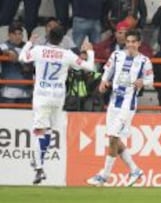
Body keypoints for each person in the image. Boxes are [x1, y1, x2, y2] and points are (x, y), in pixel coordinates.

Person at [18, 26, 95, 184]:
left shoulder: (39, 50)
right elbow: (89, 67)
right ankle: (40, 159)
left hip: (41, 96)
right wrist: (90, 52)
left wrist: (29, 43)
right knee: (47, 131)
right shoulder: (67, 54)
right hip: (58, 97)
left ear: (48, 36)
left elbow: (22, 58)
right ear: (62, 39)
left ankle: (39, 169)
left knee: (39, 130)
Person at [87, 29, 154, 187]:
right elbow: (107, 70)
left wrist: (142, 82)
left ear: (139, 43)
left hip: (128, 104)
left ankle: (104, 175)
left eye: (133, 42)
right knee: (114, 139)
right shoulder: (116, 55)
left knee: (113, 138)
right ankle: (135, 170)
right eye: (128, 41)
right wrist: (104, 82)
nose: (130, 44)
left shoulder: (145, 61)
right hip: (114, 102)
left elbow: (150, 79)